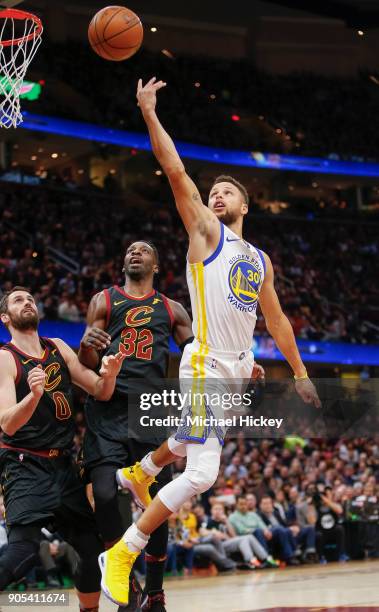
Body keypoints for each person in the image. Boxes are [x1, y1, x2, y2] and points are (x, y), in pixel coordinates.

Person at [99, 77, 321, 607]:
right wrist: (149, 113)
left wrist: (298, 372)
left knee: (187, 443)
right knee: (203, 472)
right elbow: (175, 170)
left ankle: (143, 469)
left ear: (246, 203)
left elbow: (278, 320)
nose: (216, 195)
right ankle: (124, 551)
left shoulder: (260, 259)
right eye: (213, 191)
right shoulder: (205, 231)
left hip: (235, 367)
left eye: (227, 191)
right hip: (202, 363)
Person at [78, 241, 193, 612]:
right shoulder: (103, 300)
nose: (135, 253)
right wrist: (87, 346)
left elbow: (196, 354)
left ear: (156, 265)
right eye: (129, 250)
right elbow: (87, 361)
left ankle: (156, 593)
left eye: (144, 250)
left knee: (155, 503)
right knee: (107, 495)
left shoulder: (173, 309)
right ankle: (127, 584)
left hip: (149, 412)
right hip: (108, 408)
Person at [0, 286, 125, 612]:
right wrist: (33, 396)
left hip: (63, 467)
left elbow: (99, 389)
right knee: (24, 552)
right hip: (25, 465)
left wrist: (109, 375)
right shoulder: (4, 357)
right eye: (17, 300)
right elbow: (7, 423)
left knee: (90, 547)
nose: (26, 302)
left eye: (29, 298)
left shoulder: (56, 346)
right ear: (5, 317)